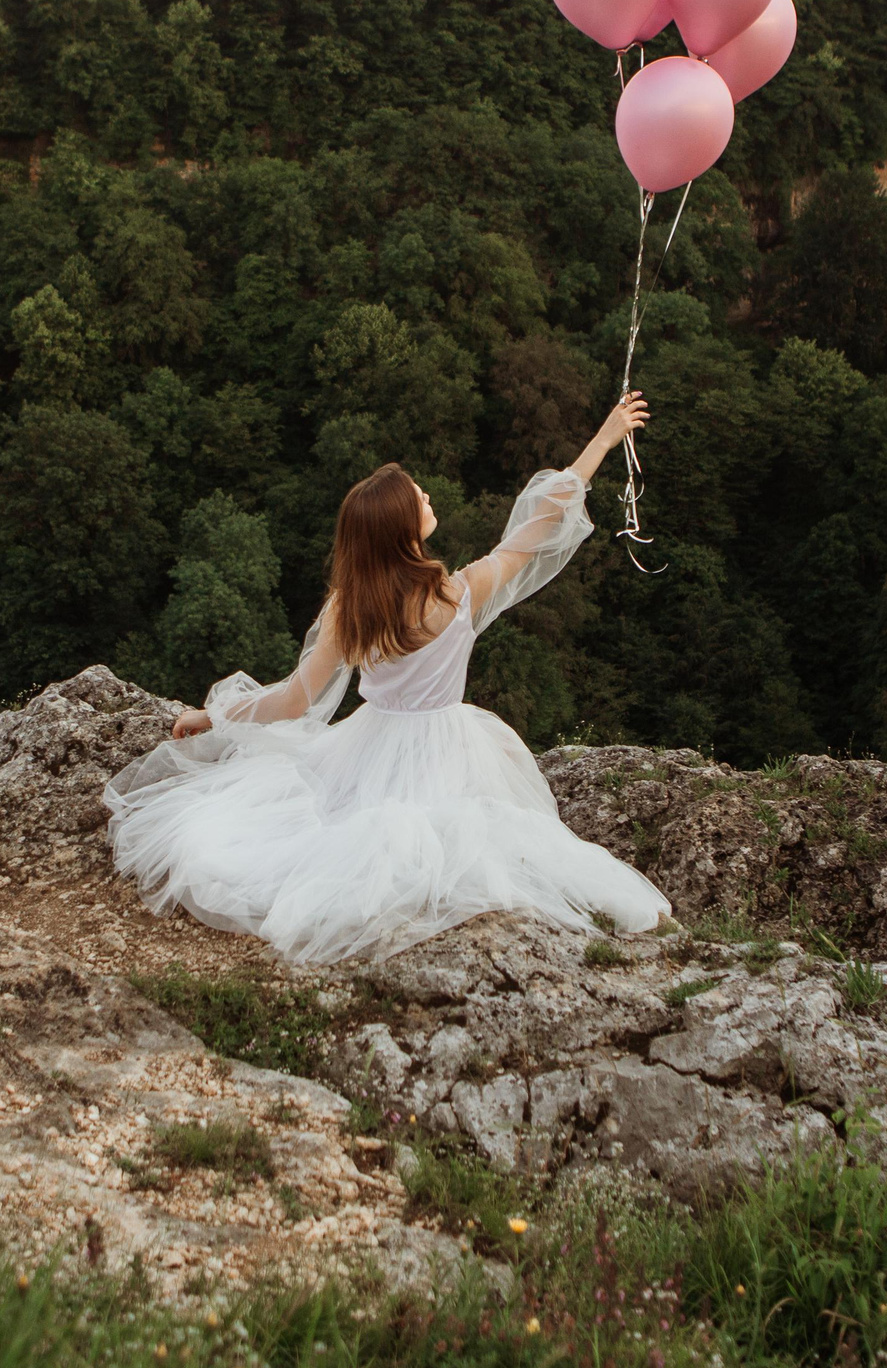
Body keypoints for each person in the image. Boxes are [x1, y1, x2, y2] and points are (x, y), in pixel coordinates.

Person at [103, 392, 674, 964]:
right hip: (449, 749)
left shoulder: (352, 606)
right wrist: (604, 437)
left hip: (366, 745)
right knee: (475, 849)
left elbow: (294, 699)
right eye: (417, 496)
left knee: (323, 840)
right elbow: (539, 524)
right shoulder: (459, 593)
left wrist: (215, 716)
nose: (426, 495)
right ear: (402, 525)